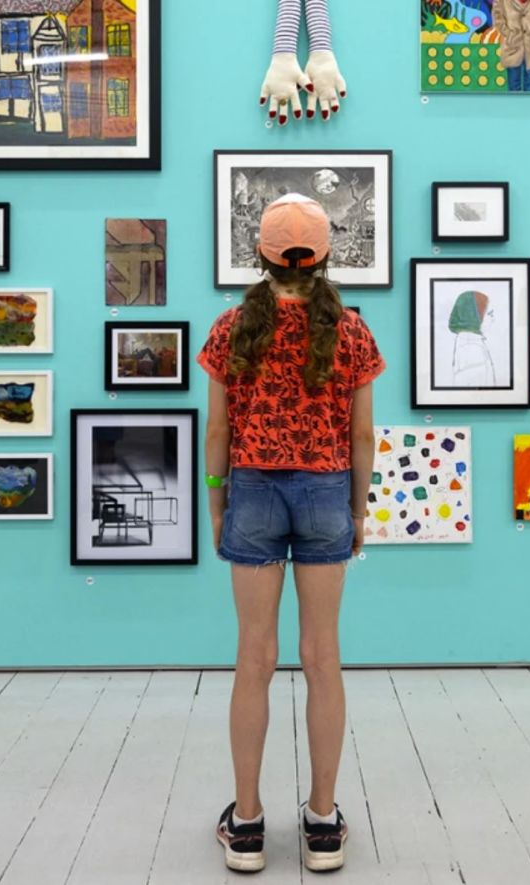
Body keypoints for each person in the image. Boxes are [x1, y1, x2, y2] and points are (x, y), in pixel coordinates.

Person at [198, 193, 385, 874]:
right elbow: (362, 434)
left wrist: (217, 500)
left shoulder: (229, 328)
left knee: (254, 657)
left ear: (261, 256)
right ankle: (322, 823)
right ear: (325, 256)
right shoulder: (352, 332)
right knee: (322, 657)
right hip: (325, 491)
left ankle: (246, 825)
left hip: (250, 487)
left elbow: (217, 430)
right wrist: (357, 507)